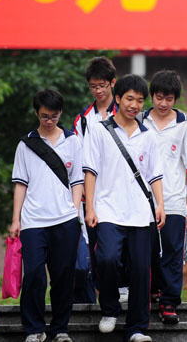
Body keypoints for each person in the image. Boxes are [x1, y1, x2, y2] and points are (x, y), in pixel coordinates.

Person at [83, 74, 166, 342]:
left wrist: (160, 204)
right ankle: (110, 308)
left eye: (140, 101)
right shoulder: (98, 130)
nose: (134, 105)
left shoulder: (148, 136)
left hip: (141, 213)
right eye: (130, 99)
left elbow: (155, 174)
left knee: (141, 271)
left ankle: (137, 328)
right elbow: (90, 171)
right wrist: (90, 207)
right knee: (106, 259)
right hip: (108, 210)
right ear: (117, 98)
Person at [9, 90, 84, 342]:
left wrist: (74, 210)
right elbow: (20, 183)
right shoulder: (26, 145)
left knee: (63, 275)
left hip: (65, 219)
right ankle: (34, 329)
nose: (49, 121)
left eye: (53, 116)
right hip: (33, 221)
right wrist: (16, 219)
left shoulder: (72, 142)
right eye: (44, 116)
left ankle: (60, 329)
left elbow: (78, 180)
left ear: (60, 113)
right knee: (33, 274)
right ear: (36, 113)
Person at [140, 70, 187, 324]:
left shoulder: (183, 123)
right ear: (151, 96)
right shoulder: (140, 120)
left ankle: (169, 302)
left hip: (174, 198)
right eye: (159, 97)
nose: (163, 103)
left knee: (173, 251)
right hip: (143, 199)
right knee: (146, 250)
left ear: (175, 99)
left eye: (168, 99)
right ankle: (151, 289)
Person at [72, 56, 122, 303]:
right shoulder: (83, 119)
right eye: (93, 86)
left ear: (113, 83)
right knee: (94, 248)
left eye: (102, 85)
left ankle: (120, 290)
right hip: (92, 194)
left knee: (118, 248)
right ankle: (97, 296)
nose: (98, 91)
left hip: (120, 190)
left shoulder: (125, 113)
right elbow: (79, 157)